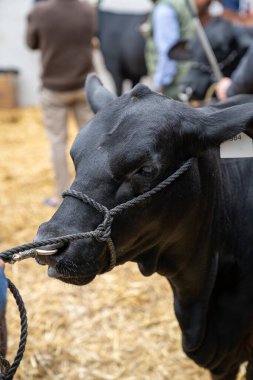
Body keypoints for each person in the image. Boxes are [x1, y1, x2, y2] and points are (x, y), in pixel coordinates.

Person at [26, 0, 97, 207]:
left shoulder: (39, 12)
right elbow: (93, 36)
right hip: (84, 86)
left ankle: (61, 195)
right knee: (92, 142)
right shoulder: (87, 9)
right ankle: (92, 192)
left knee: (58, 142)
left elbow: (31, 44)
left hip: (54, 88)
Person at [145, 0, 212, 99]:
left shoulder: (164, 9)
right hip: (189, 78)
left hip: (174, 85)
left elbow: (167, 52)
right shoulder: (183, 3)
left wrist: (159, 85)